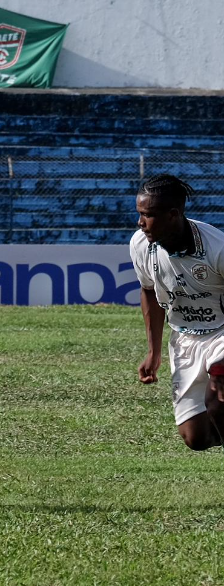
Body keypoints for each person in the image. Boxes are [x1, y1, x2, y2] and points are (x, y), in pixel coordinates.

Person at [130, 174, 224, 453]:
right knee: (196, 438)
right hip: (185, 339)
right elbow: (149, 292)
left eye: (148, 215)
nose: (140, 222)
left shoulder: (217, 248)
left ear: (173, 214)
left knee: (218, 397)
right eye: (139, 214)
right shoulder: (140, 245)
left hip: (222, 332)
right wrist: (154, 351)